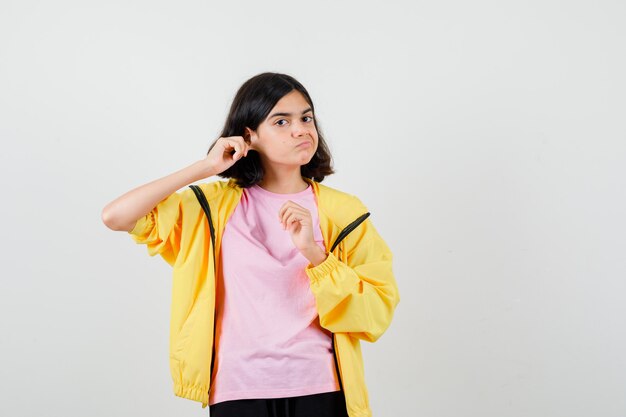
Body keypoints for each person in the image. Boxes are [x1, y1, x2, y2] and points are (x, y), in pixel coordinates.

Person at [101, 72, 400, 417]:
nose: (301, 130)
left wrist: (316, 255)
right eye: (281, 121)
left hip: (321, 388)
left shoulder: (345, 212)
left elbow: (377, 310)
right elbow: (116, 216)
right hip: (237, 390)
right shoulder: (210, 208)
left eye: (306, 117)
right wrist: (206, 167)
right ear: (248, 135)